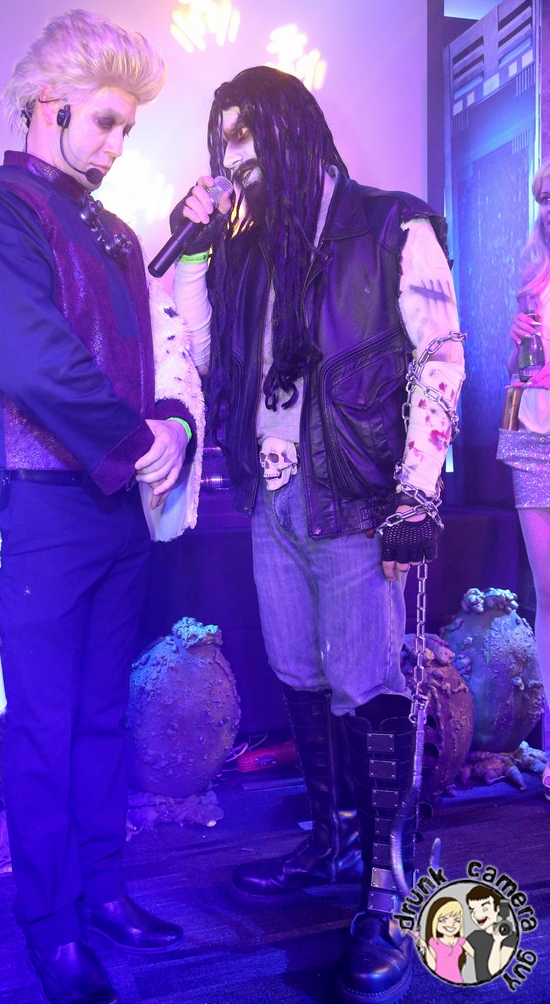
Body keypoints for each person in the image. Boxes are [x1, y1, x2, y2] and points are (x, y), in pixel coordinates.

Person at [171, 66, 465, 1004]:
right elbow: (209, 359)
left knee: (366, 681)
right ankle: (333, 838)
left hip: (356, 498)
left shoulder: (390, 224)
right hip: (273, 496)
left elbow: (440, 356)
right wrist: (193, 258)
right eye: (222, 140)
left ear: (292, 131)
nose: (232, 158)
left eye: (246, 135)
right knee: (297, 669)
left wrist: (415, 493)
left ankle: (386, 885)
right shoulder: (249, 247)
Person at [0, 10, 202, 1004]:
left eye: (126, 128)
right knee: (46, 728)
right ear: (46, 104)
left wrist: (170, 422)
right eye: (103, 122)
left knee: (101, 716)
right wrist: (140, 444)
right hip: (46, 509)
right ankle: (49, 926)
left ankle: (103, 892)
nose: (115, 144)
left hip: (113, 505)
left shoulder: (116, 230)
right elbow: (33, 361)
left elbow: (156, 352)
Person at [497, 159, 550, 802]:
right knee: (546, 594)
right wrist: (516, 343)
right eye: (546, 198)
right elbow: (519, 370)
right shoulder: (532, 273)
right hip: (533, 439)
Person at [411, 896, 473, 983]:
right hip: (438, 982)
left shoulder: (461, 941)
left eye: (457, 920)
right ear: (434, 921)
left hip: (457, 981)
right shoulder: (434, 942)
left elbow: (477, 956)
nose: (451, 924)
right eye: (443, 920)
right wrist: (425, 947)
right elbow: (433, 967)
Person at [465, 886, 518, 981]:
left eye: (484, 909)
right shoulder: (475, 936)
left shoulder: (510, 937)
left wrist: (497, 941)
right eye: (472, 910)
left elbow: (495, 972)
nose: (477, 915)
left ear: (497, 909)